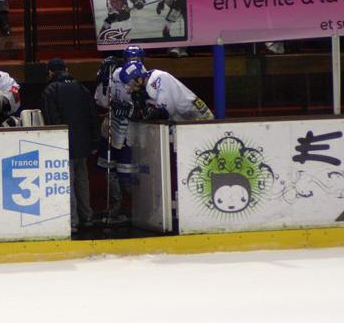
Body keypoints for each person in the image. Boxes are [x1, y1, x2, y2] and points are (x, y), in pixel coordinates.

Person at [40, 57, 100, 231]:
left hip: (63, 144)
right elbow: (93, 116)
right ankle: (87, 216)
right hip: (83, 144)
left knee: (68, 182)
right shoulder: (82, 88)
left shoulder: (50, 90)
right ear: (66, 69)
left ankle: (72, 220)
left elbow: (51, 120)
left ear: (50, 72)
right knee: (82, 180)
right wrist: (95, 142)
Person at [93, 46, 146, 223]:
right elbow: (102, 101)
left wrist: (132, 108)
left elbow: (147, 105)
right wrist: (103, 82)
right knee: (110, 170)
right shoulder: (115, 74)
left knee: (127, 173)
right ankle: (115, 207)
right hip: (111, 129)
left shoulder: (146, 77)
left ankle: (137, 209)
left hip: (131, 133)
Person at [118, 59, 215, 121]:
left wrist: (143, 112)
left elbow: (164, 113)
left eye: (130, 83)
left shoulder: (160, 78)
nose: (129, 88)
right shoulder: (145, 86)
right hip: (181, 119)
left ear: (139, 79)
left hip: (196, 115)